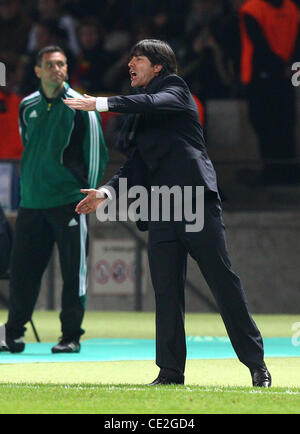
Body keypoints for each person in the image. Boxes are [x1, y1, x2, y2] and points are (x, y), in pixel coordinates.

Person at [64, 39, 271, 387]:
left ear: (158, 67)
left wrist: (100, 103)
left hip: (194, 201)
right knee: (166, 291)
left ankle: (256, 364)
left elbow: (152, 101)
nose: (130, 63)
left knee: (222, 281)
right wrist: (105, 192)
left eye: (138, 59)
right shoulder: (140, 116)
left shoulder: (175, 89)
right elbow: (136, 166)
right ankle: (171, 372)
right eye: (130, 58)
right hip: (160, 207)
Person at [1, 45, 108, 354]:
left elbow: (96, 152)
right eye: (49, 65)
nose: (56, 69)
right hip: (32, 202)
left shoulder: (80, 106)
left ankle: (70, 335)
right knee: (22, 271)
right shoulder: (27, 106)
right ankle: (14, 334)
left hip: (69, 202)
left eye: (61, 64)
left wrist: (89, 192)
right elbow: (28, 143)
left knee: (74, 271)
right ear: (38, 71)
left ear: (66, 69)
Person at [239, 0, 300, 185]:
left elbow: (260, 45)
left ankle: (275, 173)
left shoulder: (252, 9)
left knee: (269, 124)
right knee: (282, 123)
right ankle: (286, 171)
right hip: (282, 75)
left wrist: (282, 67)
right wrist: (289, 66)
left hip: (263, 76)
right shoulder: (290, 8)